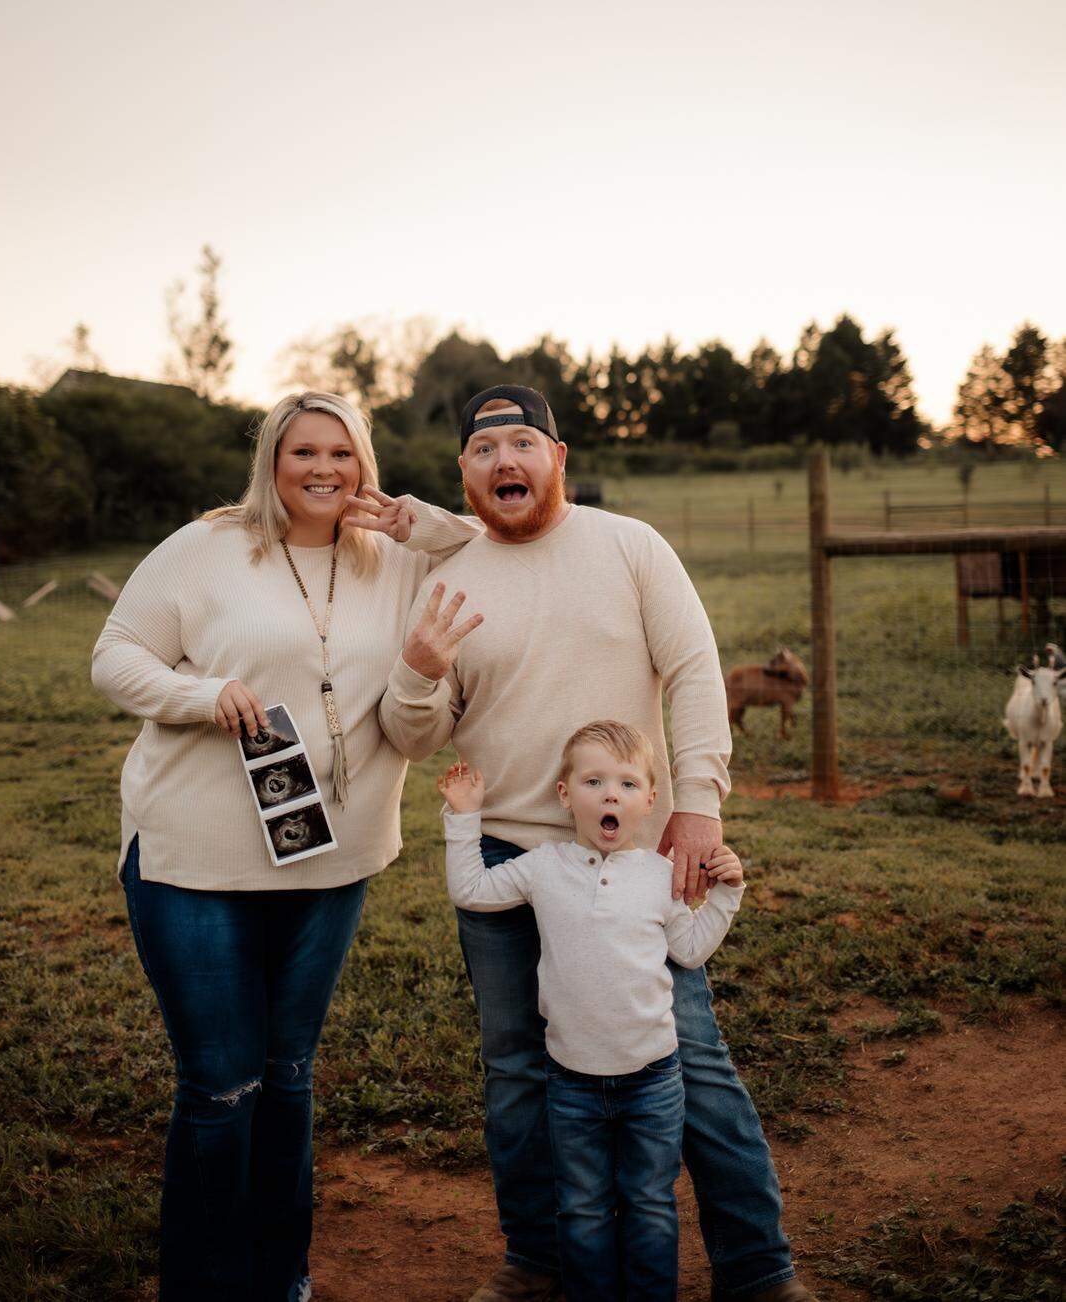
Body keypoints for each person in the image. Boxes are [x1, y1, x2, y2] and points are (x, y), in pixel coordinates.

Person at [380, 384, 818, 1302]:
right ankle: (537, 1259)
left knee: (690, 1054)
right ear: (464, 473)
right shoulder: (447, 577)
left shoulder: (630, 546)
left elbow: (694, 671)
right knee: (516, 1069)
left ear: (558, 458)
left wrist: (699, 805)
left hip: (635, 857)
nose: (505, 460)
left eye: (522, 443)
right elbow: (419, 735)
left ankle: (757, 1270)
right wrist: (417, 675)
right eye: (485, 448)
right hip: (506, 854)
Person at [91, 391, 478, 1302]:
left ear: (365, 465)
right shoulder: (209, 546)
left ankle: (281, 1278)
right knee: (222, 1087)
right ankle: (203, 1285)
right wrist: (201, 694)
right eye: (303, 451)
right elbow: (115, 656)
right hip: (196, 859)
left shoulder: (397, 560)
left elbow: (490, 544)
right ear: (272, 460)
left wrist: (416, 521)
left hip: (331, 859)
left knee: (289, 1075)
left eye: (342, 453)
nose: (323, 469)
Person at [439, 721, 745, 1302]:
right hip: (571, 1080)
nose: (611, 795)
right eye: (594, 781)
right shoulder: (543, 867)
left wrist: (726, 895)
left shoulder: (659, 877)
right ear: (565, 794)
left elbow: (689, 950)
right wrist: (464, 817)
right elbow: (472, 891)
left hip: (653, 1080)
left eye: (628, 784)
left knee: (649, 1202)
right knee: (581, 1207)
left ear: (650, 801)